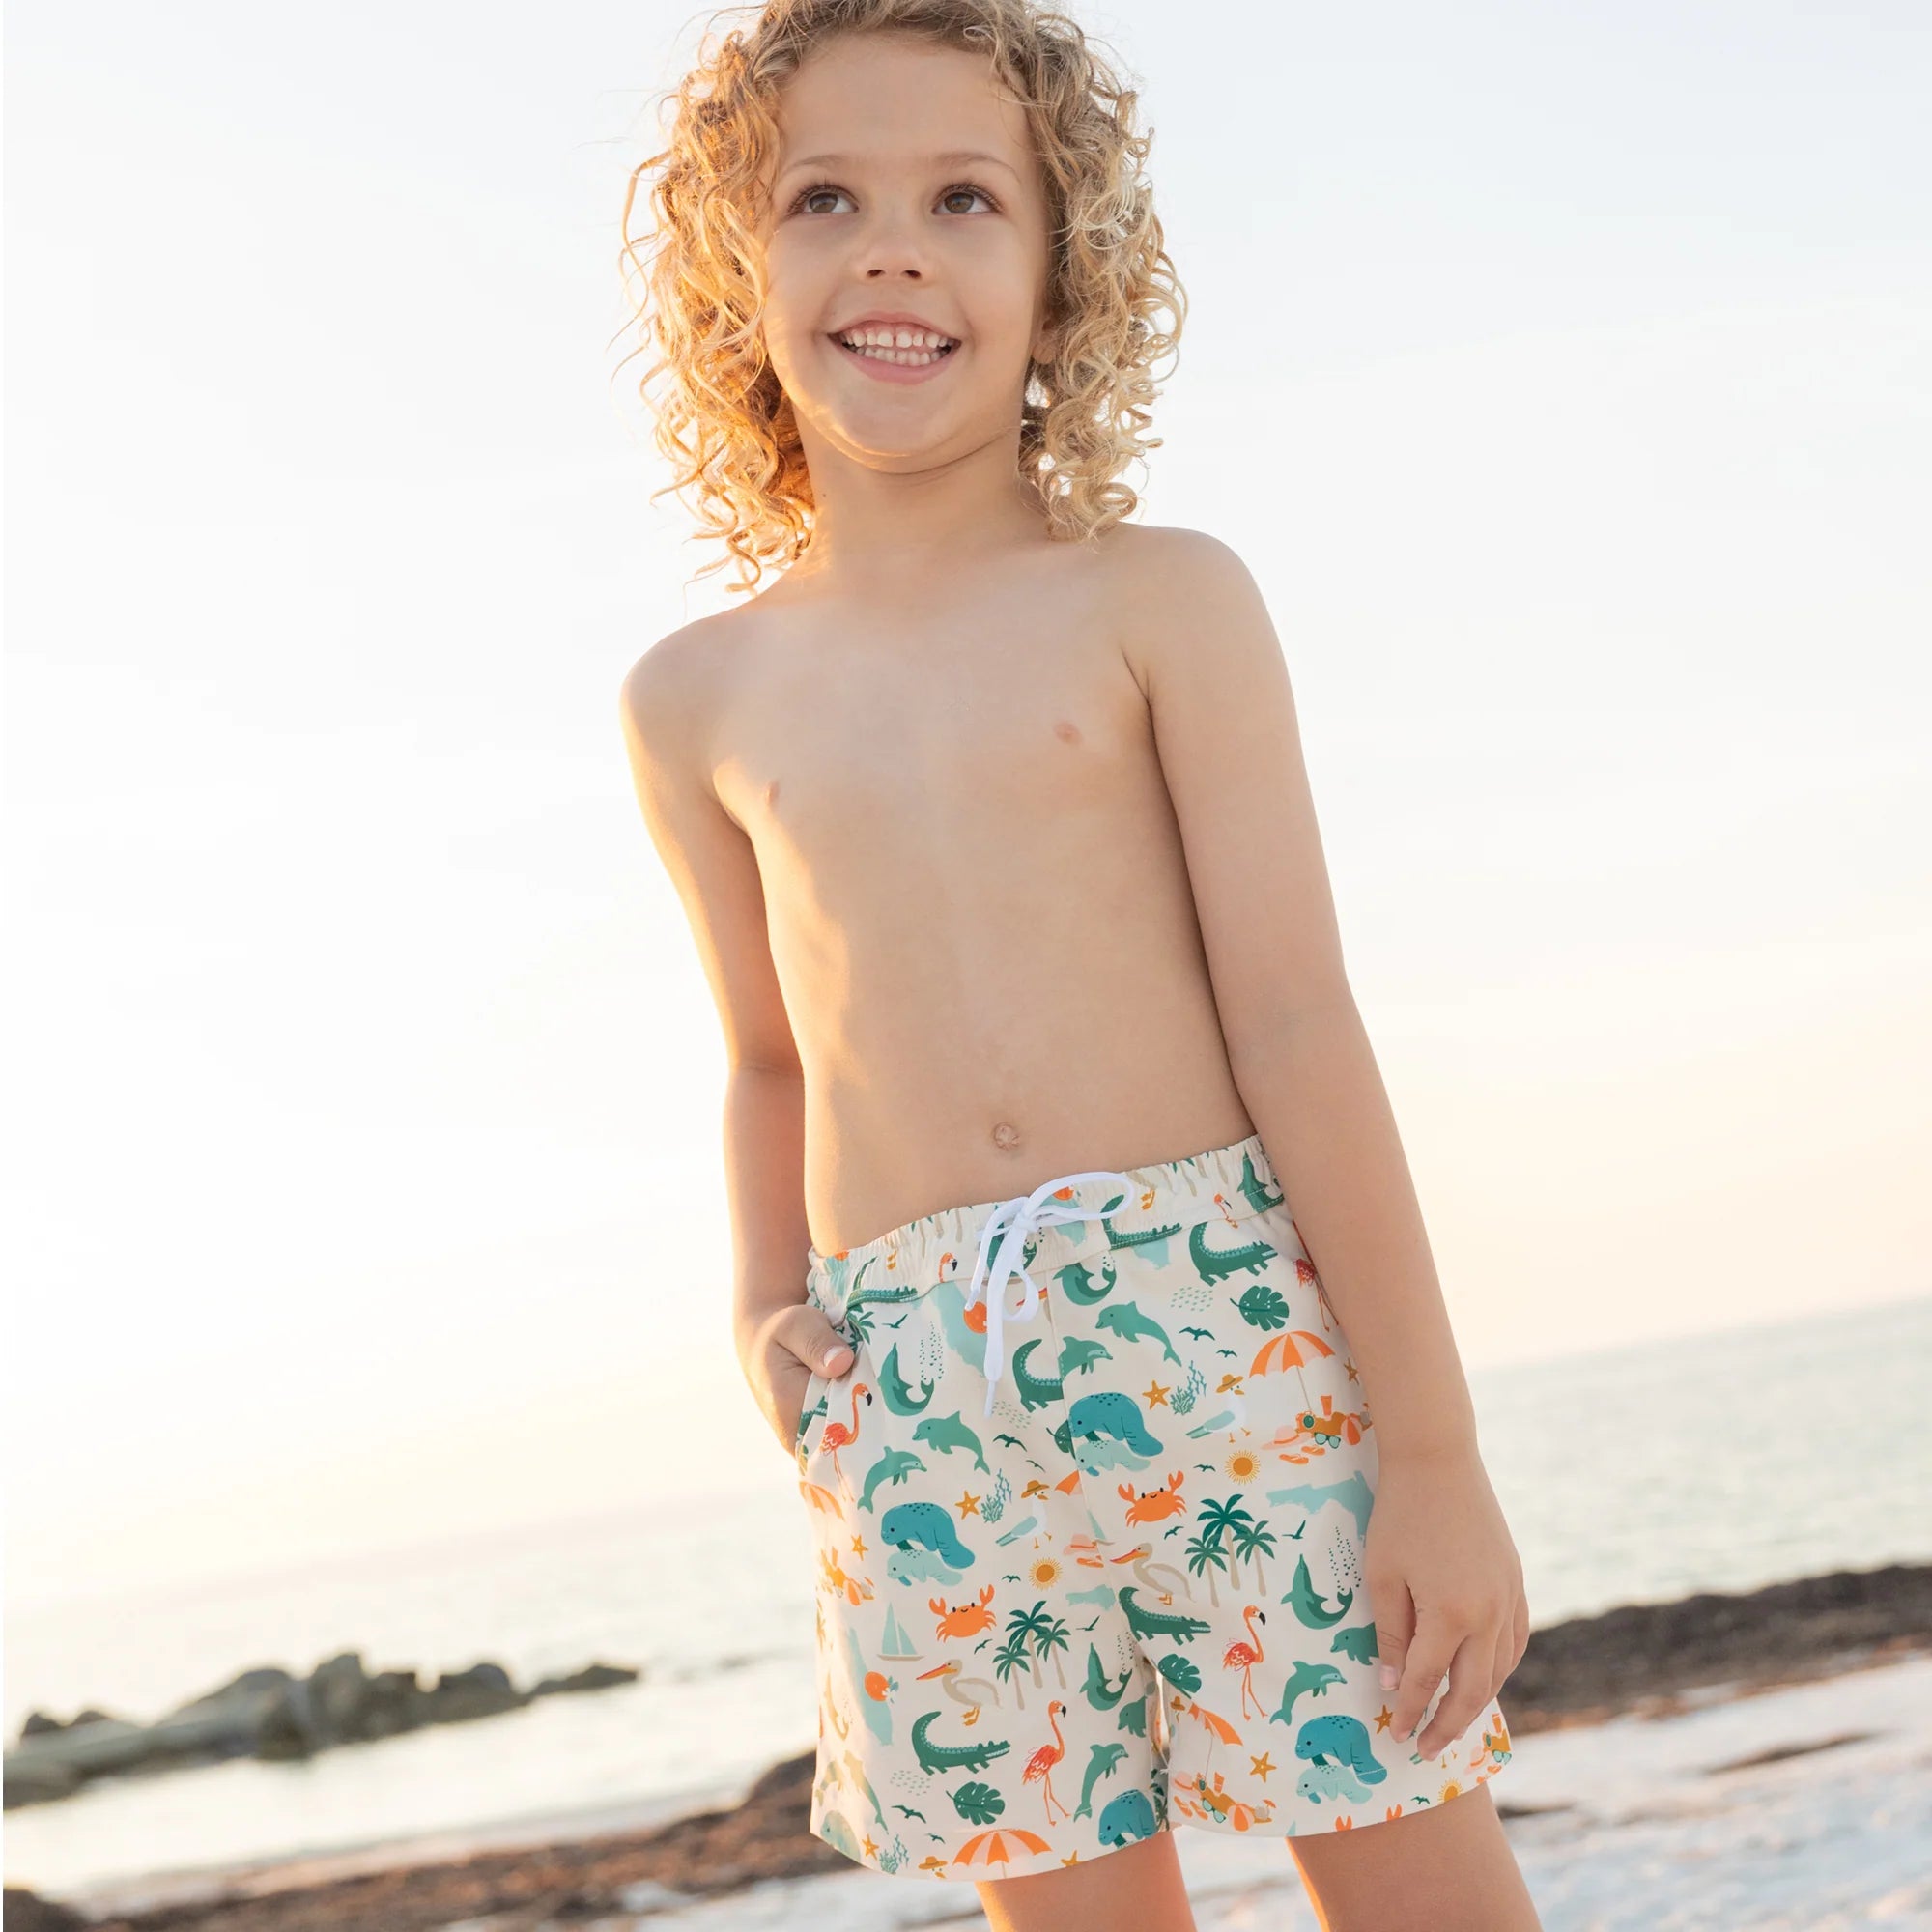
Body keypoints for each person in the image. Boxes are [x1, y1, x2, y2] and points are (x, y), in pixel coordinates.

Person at [616, 2, 1543, 1926]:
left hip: (1225, 1336)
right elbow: (769, 1059)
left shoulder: (1160, 601)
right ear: (732, 273)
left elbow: (1297, 1021)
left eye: (963, 199)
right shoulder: (693, 698)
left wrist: (1435, 1450)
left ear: (1063, 278)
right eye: (823, 199)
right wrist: (759, 1306)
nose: (892, 250)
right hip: (908, 1394)